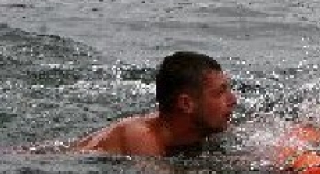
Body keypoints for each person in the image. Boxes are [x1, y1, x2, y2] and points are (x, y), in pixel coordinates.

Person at [71, 51, 237, 156]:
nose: (233, 100)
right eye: (219, 93)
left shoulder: (206, 126)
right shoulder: (141, 136)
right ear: (186, 104)